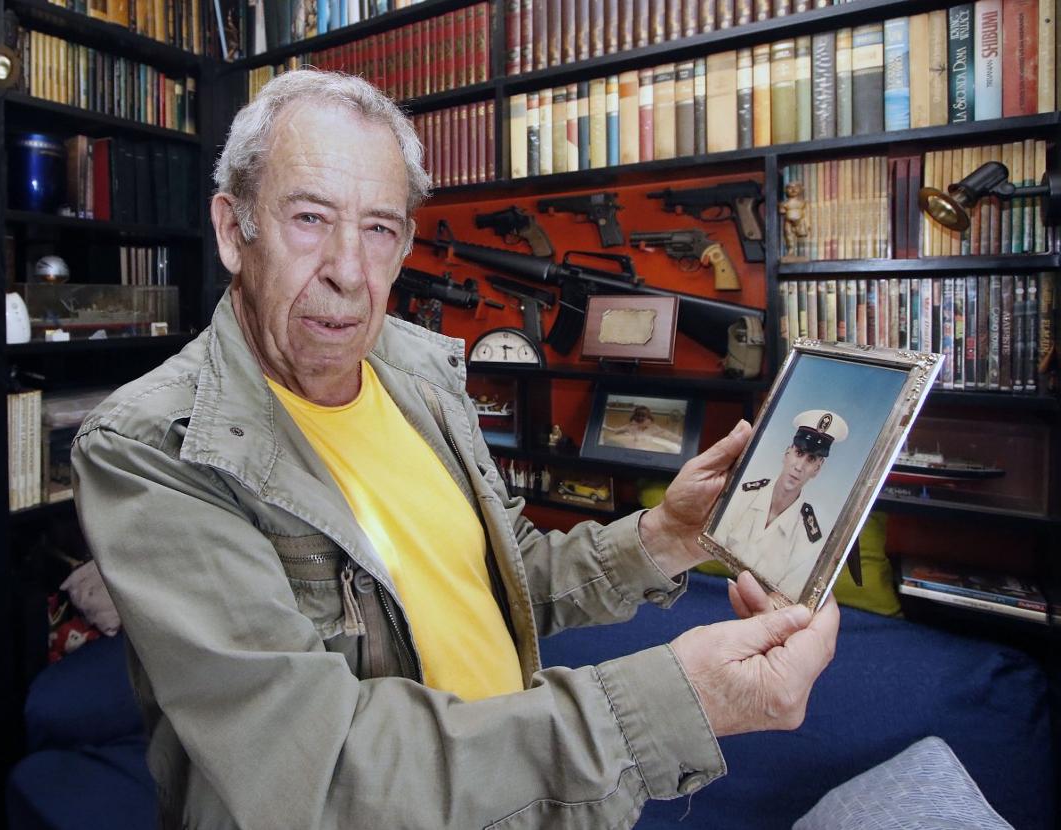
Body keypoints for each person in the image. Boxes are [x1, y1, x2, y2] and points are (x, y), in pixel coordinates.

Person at [71, 70, 839, 829]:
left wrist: (664, 537)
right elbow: (324, 773)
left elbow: (502, 578)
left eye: (378, 228)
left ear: (404, 244)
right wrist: (684, 701)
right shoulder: (153, 448)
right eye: (309, 218)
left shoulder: (418, 373)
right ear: (233, 230)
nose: (348, 270)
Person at [711, 410, 849, 602]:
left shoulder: (808, 538)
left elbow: (784, 599)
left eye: (810, 460)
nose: (799, 466)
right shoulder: (741, 496)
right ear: (787, 453)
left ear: (817, 469)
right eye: (799, 453)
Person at [600, 404, 683, 453]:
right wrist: (604, 427)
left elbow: (667, 434)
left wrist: (680, 440)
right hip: (631, 451)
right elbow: (616, 430)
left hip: (647, 452)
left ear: (648, 416)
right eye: (638, 415)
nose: (640, 417)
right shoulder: (630, 426)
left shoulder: (653, 427)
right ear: (634, 415)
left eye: (643, 416)